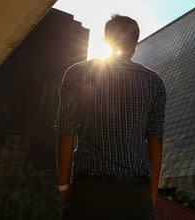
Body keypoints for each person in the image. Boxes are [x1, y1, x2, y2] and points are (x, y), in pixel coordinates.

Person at [54, 14, 167, 219]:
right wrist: (150, 196)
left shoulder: (77, 74)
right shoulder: (154, 82)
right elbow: (156, 141)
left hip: (88, 193)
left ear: (106, 40)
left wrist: (64, 188)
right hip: (134, 196)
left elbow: (66, 132)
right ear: (135, 44)